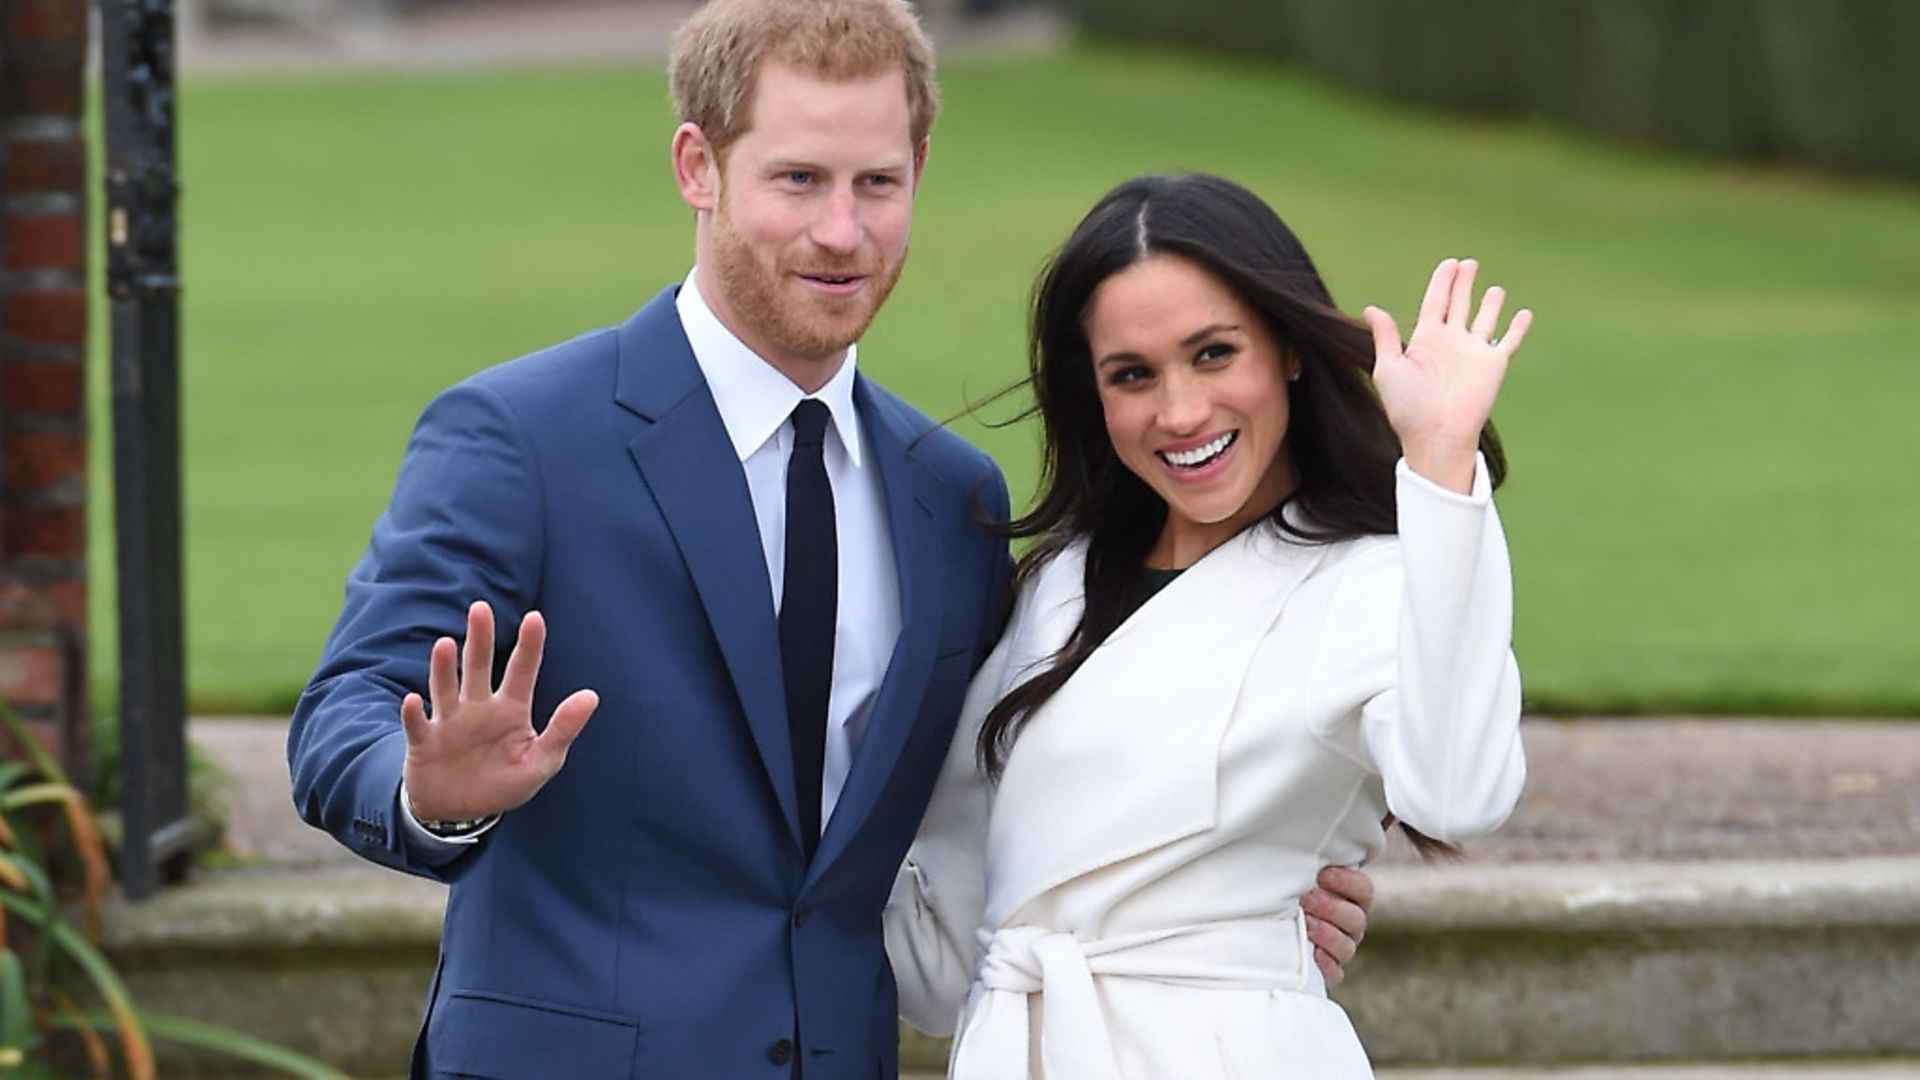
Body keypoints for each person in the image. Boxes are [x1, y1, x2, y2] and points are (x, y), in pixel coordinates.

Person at [286, 3, 1374, 1076]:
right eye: (799, 179)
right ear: (697, 166)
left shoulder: (951, 497)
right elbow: (344, 715)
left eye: (878, 184)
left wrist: (1240, 891)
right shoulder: (520, 435)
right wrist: (425, 795)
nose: (843, 233)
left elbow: (1022, 780)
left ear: (919, 169)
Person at [884, 173, 1531, 1078]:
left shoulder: (1369, 579)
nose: (1181, 412)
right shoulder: (1059, 585)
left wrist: (1440, 468)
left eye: (1215, 353)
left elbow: (1459, 792)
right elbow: (943, 948)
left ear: (1289, 349)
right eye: (1133, 375)